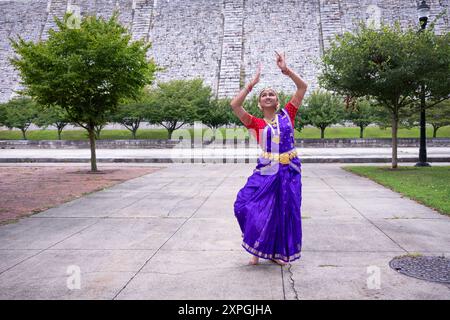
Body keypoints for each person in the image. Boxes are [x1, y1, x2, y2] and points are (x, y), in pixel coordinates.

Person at [230, 51, 308, 266]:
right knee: (247, 205)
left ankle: (276, 253)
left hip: (289, 170)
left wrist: (286, 70)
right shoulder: (255, 123)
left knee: (283, 211)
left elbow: (302, 88)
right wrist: (251, 84)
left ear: (277, 100)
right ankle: (257, 247)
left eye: (271, 94)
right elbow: (234, 105)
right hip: (266, 170)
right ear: (259, 102)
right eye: (264, 95)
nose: (267, 96)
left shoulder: (287, 114)